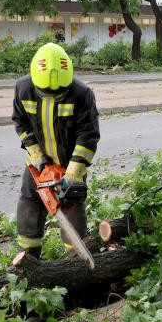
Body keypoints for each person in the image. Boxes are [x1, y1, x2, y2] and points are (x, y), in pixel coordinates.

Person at [12, 42, 100, 258]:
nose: (53, 94)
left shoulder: (82, 94)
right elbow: (20, 123)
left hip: (71, 166)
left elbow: (87, 137)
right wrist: (37, 157)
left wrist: (71, 176)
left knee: (72, 212)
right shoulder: (24, 88)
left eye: (59, 92)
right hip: (37, 165)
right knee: (29, 208)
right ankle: (28, 258)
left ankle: (75, 262)